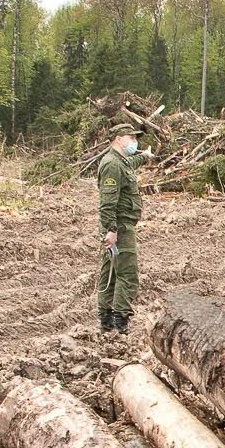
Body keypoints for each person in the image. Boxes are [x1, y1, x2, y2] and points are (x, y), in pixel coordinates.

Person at [95, 122, 144, 332]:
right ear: (118, 138)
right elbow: (108, 202)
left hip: (120, 226)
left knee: (111, 272)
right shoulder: (113, 164)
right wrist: (111, 230)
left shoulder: (120, 162)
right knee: (127, 274)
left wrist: (146, 157)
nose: (135, 142)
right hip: (119, 228)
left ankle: (106, 320)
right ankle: (119, 320)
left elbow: (132, 162)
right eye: (131, 138)